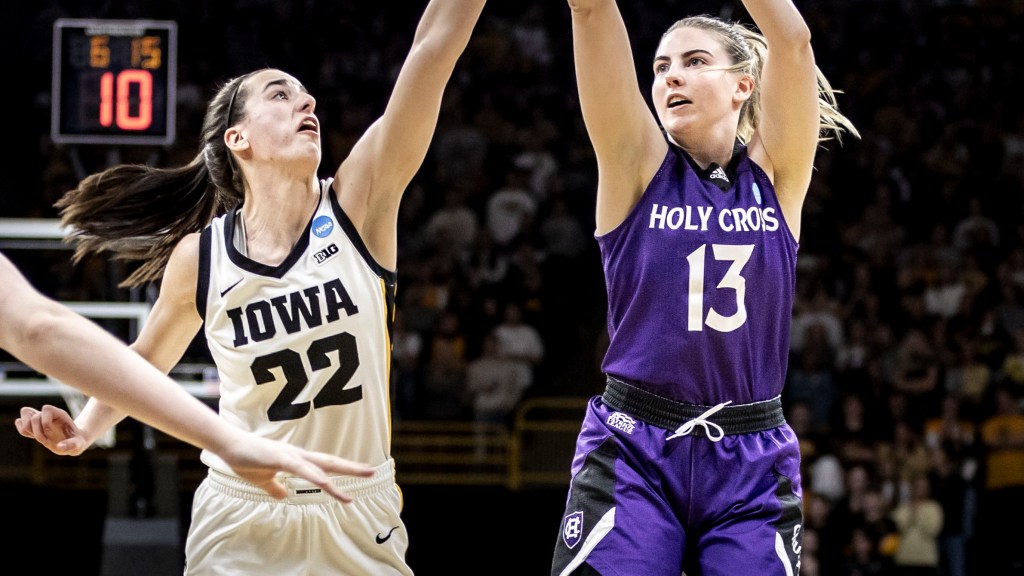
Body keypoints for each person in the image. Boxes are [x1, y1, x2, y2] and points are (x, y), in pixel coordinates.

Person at [16, 1, 486, 574]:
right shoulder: (202, 257)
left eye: (306, 94)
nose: (307, 102)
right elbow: (145, 361)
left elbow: (432, 50)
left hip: (359, 510)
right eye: (280, 95)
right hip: (242, 513)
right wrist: (84, 430)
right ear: (237, 138)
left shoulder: (361, 202)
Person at [551, 1, 859, 575]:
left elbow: (791, 39)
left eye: (694, 61)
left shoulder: (776, 176)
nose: (671, 75)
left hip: (751, 454)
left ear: (744, 85)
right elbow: (591, 10)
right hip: (634, 448)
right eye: (662, 65)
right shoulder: (635, 166)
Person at [2, 251, 373, 502]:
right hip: (243, 495)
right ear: (234, 139)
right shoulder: (206, 253)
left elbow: (39, 329)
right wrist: (226, 441)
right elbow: (39, 329)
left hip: (357, 493)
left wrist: (84, 429)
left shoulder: (348, 205)